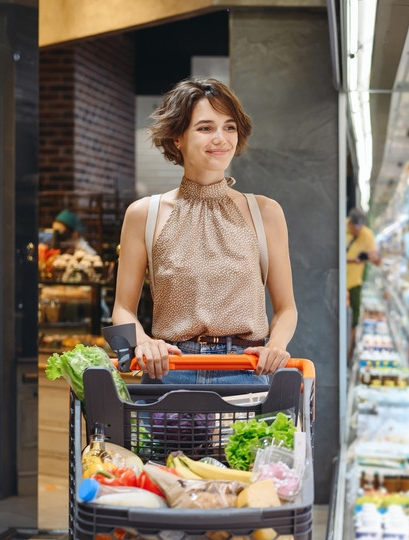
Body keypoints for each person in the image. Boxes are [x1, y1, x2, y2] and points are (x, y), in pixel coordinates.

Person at [112, 78, 297, 384]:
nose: (221, 138)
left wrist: (276, 346)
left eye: (229, 127)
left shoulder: (266, 212)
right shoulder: (144, 214)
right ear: (176, 138)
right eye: (205, 128)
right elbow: (122, 308)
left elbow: (287, 308)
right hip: (171, 371)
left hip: (246, 372)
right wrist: (143, 342)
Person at [345, 207, 381, 361]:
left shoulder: (368, 235)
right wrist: (353, 260)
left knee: (353, 321)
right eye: (355, 228)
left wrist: (373, 257)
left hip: (354, 284)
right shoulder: (341, 228)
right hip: (338, 283)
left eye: (360, 229)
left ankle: (348, 355)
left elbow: (378, 262)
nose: (357, 232)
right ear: (350, 224)